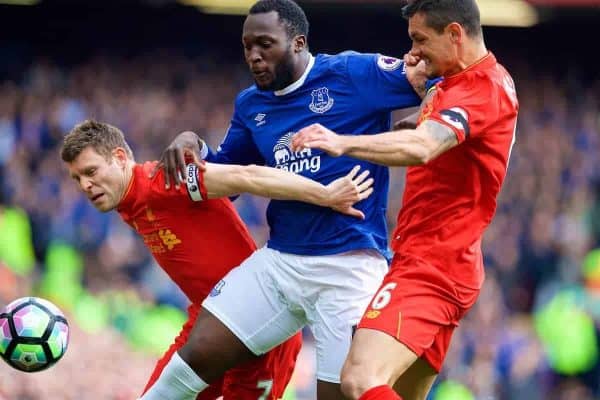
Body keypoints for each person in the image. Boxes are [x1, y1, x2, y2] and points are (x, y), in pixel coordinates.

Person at [142, 0, 431, 398]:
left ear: (298, 43)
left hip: (348, 270)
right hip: (280, 263)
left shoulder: (354, 72)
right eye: (247, 47)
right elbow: (232, 171)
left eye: (265, 44)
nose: (254, 56)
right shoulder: (251, 104)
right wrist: (193, 143)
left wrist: (430, 113)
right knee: (187, 364)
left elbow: (434, 74)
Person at [290, 1, 519, 399]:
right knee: (391, 390)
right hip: (445, 261)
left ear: (454, 34)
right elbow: (452, 138)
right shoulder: (469, 80)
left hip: (432, 264)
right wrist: (422, 119)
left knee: (359, 378)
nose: (412, 52)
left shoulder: (479, 88)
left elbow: (425, 147)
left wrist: (342, 142)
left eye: (419, 39)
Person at [60, 119, 375, 399]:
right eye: (77, 179)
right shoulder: (128, 203)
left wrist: (325, 195)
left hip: (261, 326)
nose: (85, 185)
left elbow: (247, 176)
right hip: (210, 322)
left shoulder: (164, 181)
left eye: (91, 172)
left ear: (119, 158)